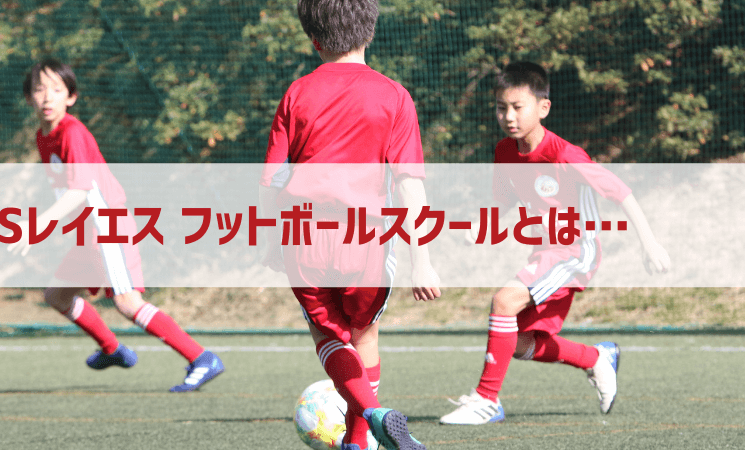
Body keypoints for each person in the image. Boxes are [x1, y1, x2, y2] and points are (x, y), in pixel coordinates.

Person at [439, 61, 671, 425]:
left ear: (543, 107)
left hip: (576, 251)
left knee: (503, 301)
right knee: (518, 342)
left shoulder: (565, 155)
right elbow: (504, 199)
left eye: (518, 107)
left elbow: (621, 192)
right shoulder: (505, 151)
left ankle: (486, 401)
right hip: (546, 252)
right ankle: (596, 358)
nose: (508, 116)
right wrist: (480, 226)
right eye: (501, 107)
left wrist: (649, 244)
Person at [260, 1, 441, 449]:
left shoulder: (296, 93)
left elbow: (272, 178)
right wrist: (422, 261)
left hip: (304, 234)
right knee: (364, 335)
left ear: (313, 39)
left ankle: (371, 419)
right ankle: (359, 440)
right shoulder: (394, 95)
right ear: (370, 32)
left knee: (329, 337)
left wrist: (269, 239)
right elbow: (409, 185)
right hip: (367, 239)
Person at [10, 59, 223, 392]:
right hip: (87, 235)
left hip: (107, 228)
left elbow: (80, 190)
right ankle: (113, 350)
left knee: (127, 303)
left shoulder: (72, 132)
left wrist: (38, 224)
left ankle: (201, 357)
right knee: (57, 296)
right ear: (28, 98)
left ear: (71, 97)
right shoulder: (43, 136)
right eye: (39, 90)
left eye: (56, 89)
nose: (47, 97)